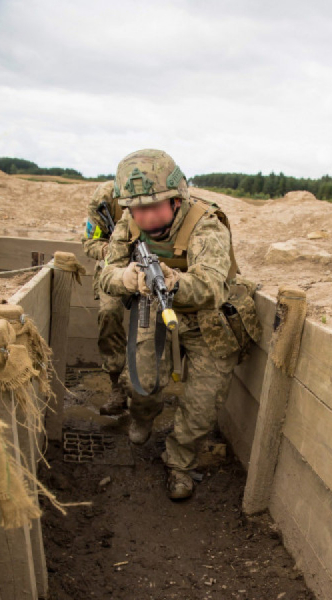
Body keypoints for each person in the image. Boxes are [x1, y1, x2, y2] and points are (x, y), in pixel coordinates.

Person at [100, 149, 261, 500]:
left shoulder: (207, 224)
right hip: (155, 310)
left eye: (153, 206)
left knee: (202, 407)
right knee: (141, 384)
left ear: (176, 198)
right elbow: (105, 275)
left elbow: (211, 288)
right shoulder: (129, 224)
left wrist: (172, 280)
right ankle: (142, 417)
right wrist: (126, 278)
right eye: (136, 208)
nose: (143, 215)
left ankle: (179, 463)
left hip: (211, 321)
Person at [82, 180, 128, 415]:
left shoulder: (161, 196)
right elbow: (90, 242)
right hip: (113, 268)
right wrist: (113, 251)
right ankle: (117, 384)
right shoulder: (106, 198)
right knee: (109, 314)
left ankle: (145, 390)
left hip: (155, 268)